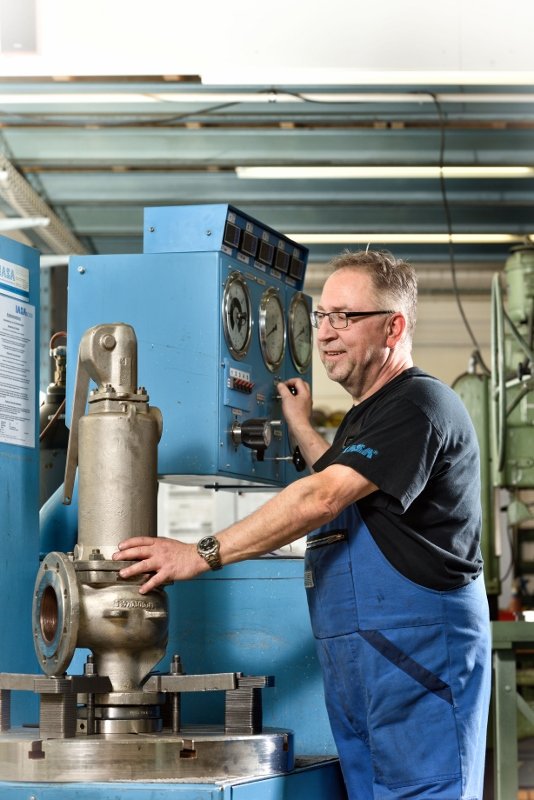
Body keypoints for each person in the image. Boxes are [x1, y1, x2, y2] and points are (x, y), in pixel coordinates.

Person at [113, 249, 491, 800]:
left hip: (418, 667)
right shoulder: (373, 414)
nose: (327, 333)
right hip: (371, 672)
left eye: (346, 317)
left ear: (395, 325)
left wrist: (199, 553)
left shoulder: (419, 403)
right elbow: (352, 486)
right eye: (322, 317)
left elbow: (323, 497)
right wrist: (301, 428)